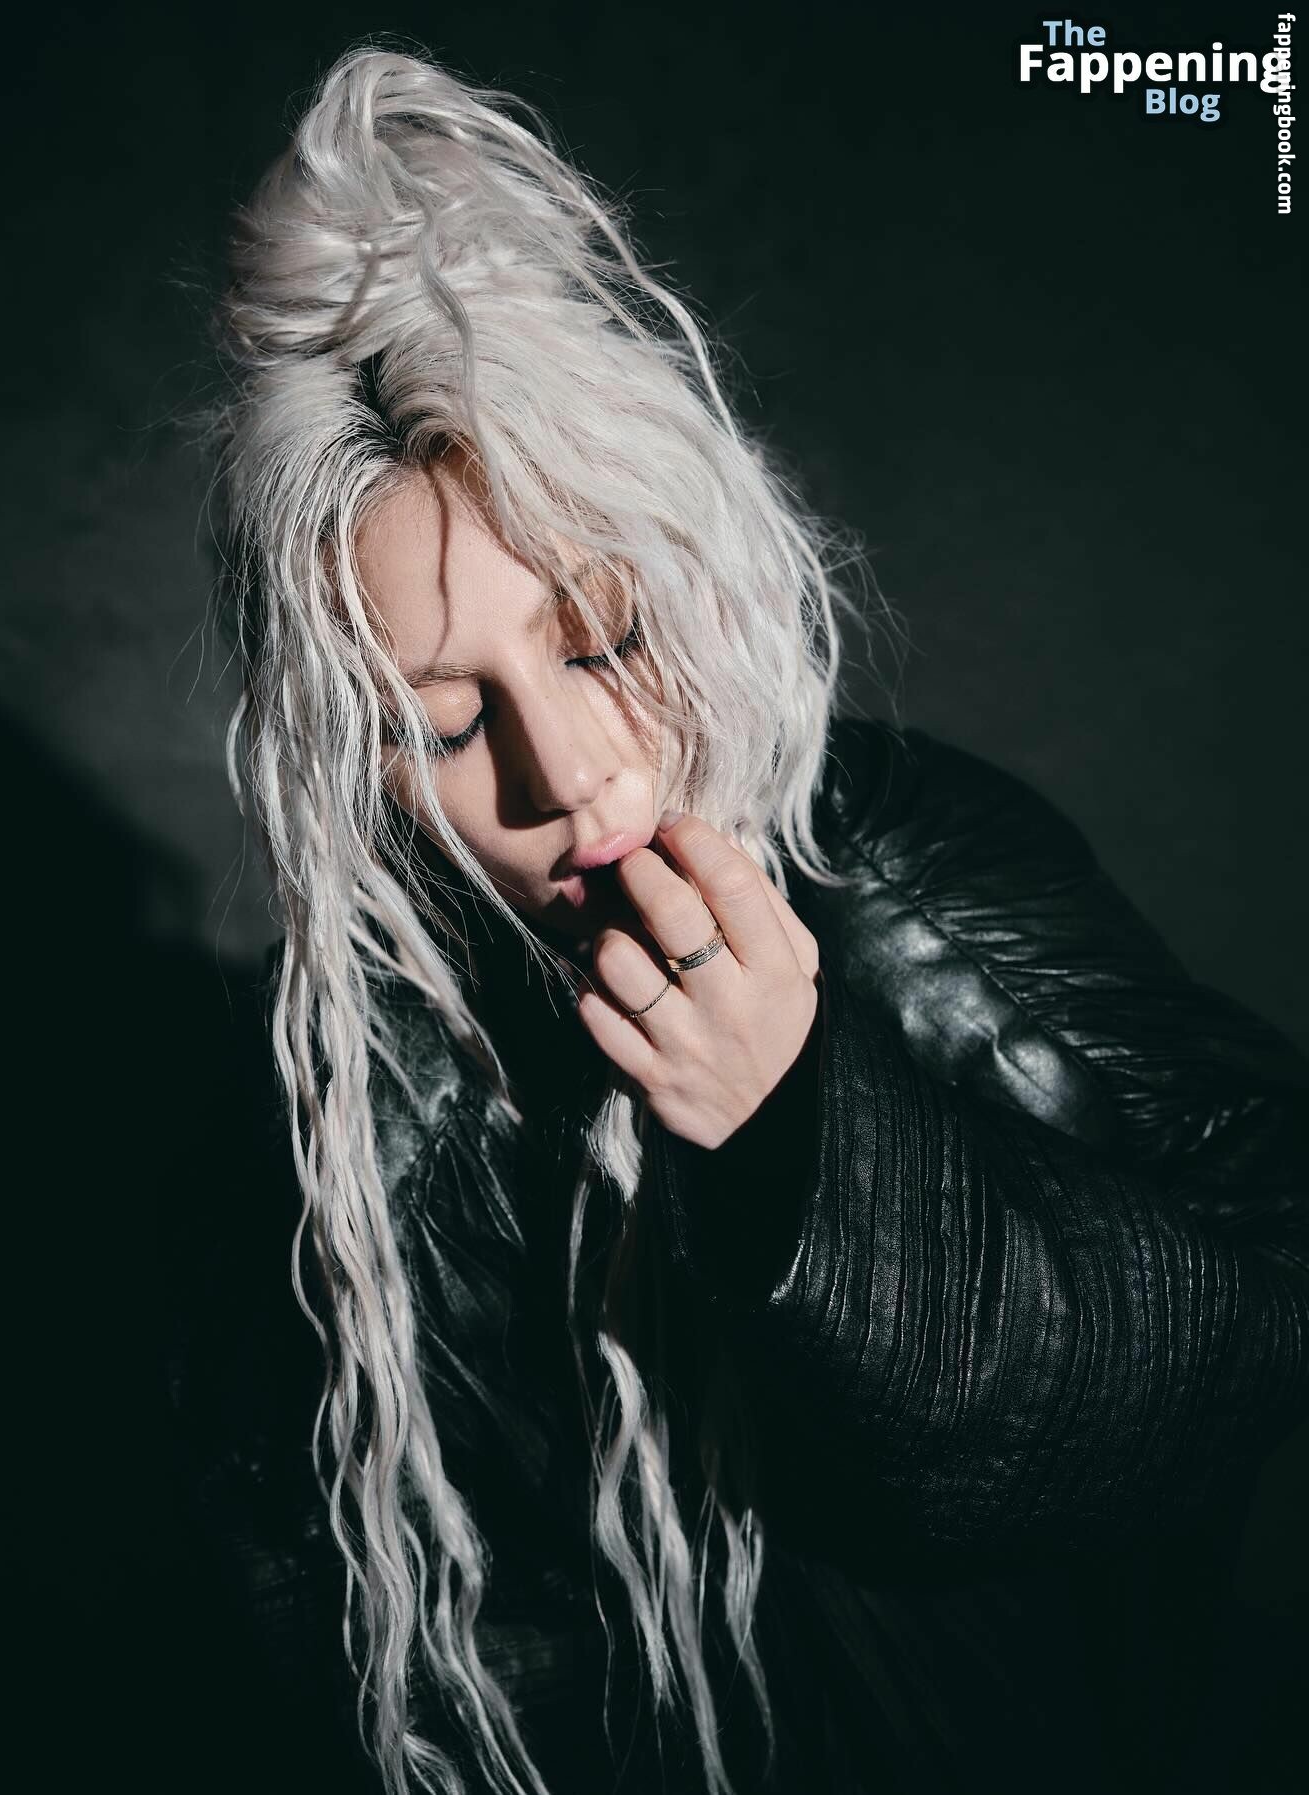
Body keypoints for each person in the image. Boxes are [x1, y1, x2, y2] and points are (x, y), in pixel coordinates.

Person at [169, 41, 1309, 1795]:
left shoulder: (905, 872)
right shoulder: (340, 1080)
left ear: (693, 580)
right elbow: (334, 1611)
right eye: (447, 727)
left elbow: (1238, 1342)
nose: (569, 774)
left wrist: (798, 1128)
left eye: (604, 638)